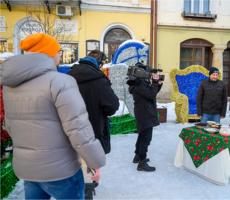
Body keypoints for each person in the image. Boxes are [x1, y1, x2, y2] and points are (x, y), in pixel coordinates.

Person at [0, 33, 106, 199]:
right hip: (61, 171)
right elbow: (78, 128)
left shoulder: (10, 86)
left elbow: (11, 127)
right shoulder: (60, 82)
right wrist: (95, 162)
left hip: (28, 170)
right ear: (48, 53)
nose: (60, 55)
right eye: (59, 51)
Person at [68, 50, 119, 155]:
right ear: (99, 62)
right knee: (93, 167)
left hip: (70, 132)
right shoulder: (100, 80)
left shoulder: (68, 76)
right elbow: (112, 106)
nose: (103, 67)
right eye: (103, 64)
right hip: (93, 134)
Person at [126, 63, 163, 172]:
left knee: (142, 135)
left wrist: (158, 84)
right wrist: (155, 83)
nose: (148, 74)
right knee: (146, 138)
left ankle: (137, 156)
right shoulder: (140, 85)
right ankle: (142, 162)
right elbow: (151, 95)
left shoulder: (139, 83)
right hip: (145, 113)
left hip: (143, 112)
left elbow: (152, 93)